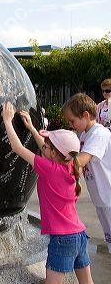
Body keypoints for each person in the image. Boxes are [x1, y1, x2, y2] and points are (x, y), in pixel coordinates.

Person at [2, 102, 94, 284]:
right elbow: (48, 148)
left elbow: (18, 148)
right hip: (80, 235)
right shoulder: (70, 165)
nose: (42, 146)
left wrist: (7, 121)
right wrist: (30, 127)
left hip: (62, 240)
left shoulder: (49, 169)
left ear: (53, 153)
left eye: (47, 146)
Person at [63, 93, 111, 254]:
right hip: (100, 198)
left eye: (72, 121)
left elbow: (81, 160)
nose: (71, 125)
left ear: (85, 115)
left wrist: (55, 167)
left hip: (108, 195)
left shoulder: (99, 133)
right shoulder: (85, 134)